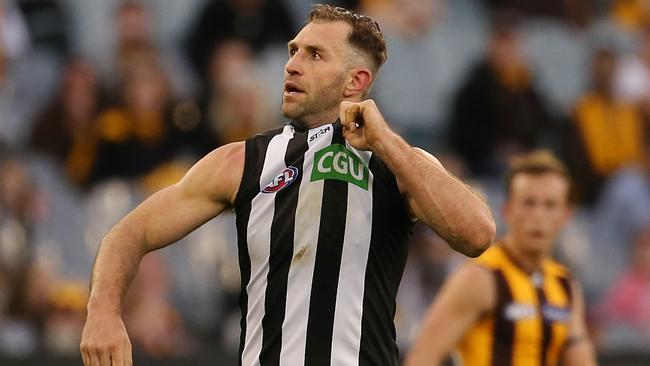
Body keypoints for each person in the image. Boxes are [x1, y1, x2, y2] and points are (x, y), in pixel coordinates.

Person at [79, 5, 495, 366]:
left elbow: (477, 234)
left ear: (356, 82)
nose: (292, 64)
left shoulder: (399, 164)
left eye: (314, 55)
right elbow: (128, 233)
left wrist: (386, 142)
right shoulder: (243, 161)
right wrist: (103, 312)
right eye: (293, 50)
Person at [405, 150, 597, 366]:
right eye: (528, 203)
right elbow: (422, 357)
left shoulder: (566, 285)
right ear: (507, 210)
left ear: (565, 215)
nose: (538, 216)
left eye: (550, 205)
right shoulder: (480, 277)